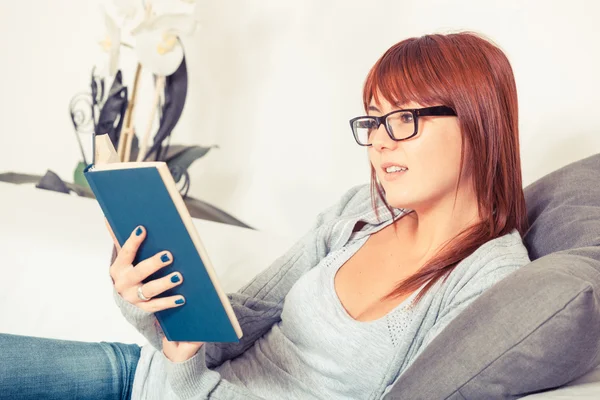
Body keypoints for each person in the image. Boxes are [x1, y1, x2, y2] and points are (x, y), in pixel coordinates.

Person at [0, 31, 531, 399]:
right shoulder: (359, 214)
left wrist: (186, 372)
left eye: (404, 119)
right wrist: (146, 300)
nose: (379, 143)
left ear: (479, 121)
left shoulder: (490, 281)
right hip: (145, 379)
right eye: (373, 121)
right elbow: (232, 325)